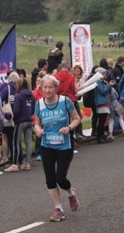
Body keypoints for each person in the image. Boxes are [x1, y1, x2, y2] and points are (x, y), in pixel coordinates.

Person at [34, 74, 81, 222]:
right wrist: (37, 129)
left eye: (50, 87)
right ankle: (58, 209)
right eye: (45, 87)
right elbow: (36, 122)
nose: (47, 90)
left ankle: (70, 194)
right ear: (41, 88)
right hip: (47, 145)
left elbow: (77, 118)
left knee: (60, 178)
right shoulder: (39, 104)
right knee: (50, 179)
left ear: (56, 88)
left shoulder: (65, 101)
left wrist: (68, 128)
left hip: (64, 146)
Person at [5, 78, 35, 172]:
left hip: (20, 121)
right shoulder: (32, 95)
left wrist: (14, 117)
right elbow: (33, 109)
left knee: (15, 142)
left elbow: (16, 110)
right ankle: (27, 163)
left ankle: (14, 164)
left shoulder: (18, 96)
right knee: (28, 142)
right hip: (29, 120)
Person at [0, 71, 19, 166]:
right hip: (18, 116)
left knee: (6, 137)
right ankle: (17, 159)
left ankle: (7, 157)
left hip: (8, 115)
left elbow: (0, 99)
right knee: (15, 138)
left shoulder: (7, 88)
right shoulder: (20, 89)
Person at [94, 67, 116, 143]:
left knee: (104, 121)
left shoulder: (103, 82)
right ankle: (99, 137)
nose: (105, 75)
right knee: (101, 120)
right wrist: (109, 85)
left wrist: (109, 85)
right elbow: (103, 92)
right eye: (104, 74)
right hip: (101, 103)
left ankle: (102, 135)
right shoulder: (98, 82)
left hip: (105, 102)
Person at [32, 71, 45, 161]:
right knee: (38, 135)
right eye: (37, 81)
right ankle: (38, 152)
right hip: (37, 117)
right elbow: (32, 99)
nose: (38, 83)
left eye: (40, 81)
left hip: (45, 115)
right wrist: (37, 89)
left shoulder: (44, 92)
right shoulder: (34, 92)